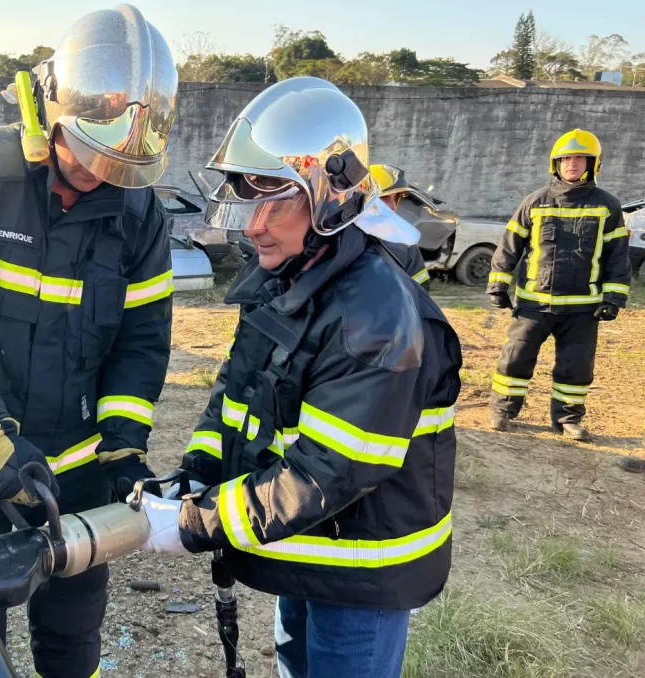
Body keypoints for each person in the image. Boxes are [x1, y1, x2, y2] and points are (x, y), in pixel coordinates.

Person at [135, 77, 462, 678]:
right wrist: (196, 473)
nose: (253, 226)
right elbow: (235, 397)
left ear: (330, 197)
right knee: (294, 662)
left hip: (361, 568)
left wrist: (193, 523)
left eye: (273, 202)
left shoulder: (379, 319)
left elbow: (327, 474)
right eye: (243, 200)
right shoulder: (283, 281)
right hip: (304, 544)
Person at [0, 6, 177, 677]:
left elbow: (140, 345)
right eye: (91, 153)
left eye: (120, 164)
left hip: (76, 475)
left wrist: (125, 451)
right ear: (52, 108)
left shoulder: (139, 216)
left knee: (73, 639)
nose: (102, 176)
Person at [485, 129, 631, 441]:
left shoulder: (607, 206)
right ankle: (503, 409)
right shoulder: (535, 201)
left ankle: (567, 419)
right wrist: (498, 284)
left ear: (593, 164)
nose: (572, 164)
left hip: (581, 308)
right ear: (555, 164)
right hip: (533, 304)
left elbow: (618, 256)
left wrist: (614, 297)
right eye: (565, 158)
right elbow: (509, 245)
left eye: (580, 158)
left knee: (575, 368)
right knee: (515, 358)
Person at [370, 163, 431, 289]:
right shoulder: (342, 239)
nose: (393, 206)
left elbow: (421, 288)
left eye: (396, 198)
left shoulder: (405, 242)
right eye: (385, 197)